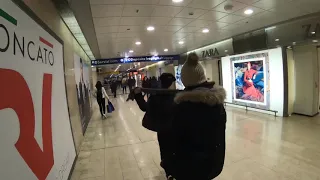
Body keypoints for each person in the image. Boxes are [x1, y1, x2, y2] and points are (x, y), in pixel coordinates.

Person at [166, 52, 226, 180]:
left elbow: (176, 141)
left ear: (185, 80)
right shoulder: (217, 103)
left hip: (192, 167)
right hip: (215, 162)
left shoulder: (183, 108)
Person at [134, 73, 176, 179]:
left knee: (165, 149)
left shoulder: (155, 97)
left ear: (160, 82)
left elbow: (144, 107)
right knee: (176, 149)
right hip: (177, 128)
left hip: (162, 129)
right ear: (172, 83)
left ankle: (169, 173)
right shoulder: (178, 96)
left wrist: (138, 96)